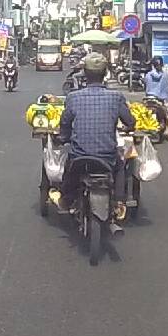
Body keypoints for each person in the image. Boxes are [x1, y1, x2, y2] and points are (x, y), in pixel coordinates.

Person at [57, 53, 136, 217]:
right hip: (108, 156)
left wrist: (64, 138)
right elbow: (130, 121)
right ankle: (119, 202)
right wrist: (128, 127)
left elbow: (64, 123)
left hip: (80, 155)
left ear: (84, 73)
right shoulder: (116, 97)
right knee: (121, 166)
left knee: (69, 168)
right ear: (105, 73)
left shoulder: (73, 97)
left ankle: (66, 199)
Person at [142, 56, 168, 138]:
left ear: (153, 65)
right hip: (161, 100)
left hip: (148, 99)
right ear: (162, 65)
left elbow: (145, 85)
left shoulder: (148, 75)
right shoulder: (166, 75)